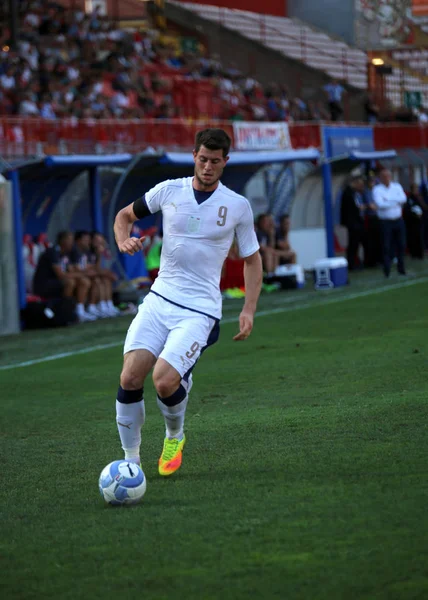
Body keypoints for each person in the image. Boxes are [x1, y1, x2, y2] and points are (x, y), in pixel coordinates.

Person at [113, 128, 262, 476]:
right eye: (203, 159)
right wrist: (123, 241)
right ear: (194, 155)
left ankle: (174, 435)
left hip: (200, 309)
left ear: (225, 162)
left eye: (215, 161)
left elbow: (252, 259)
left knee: (164, 381)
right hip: (159, 299)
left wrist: (249, 309)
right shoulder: (169, 190)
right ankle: (131, 461)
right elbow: (124, 217)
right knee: (130, 376)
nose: (208, 166)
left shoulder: (237, 206)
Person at [33, 230, 93, 322]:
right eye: (70, 240)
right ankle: (66, 311)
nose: (72, 243)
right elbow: (60, 275)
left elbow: (71, 270)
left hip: (56, 282)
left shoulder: (65, 253)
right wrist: (80, 274)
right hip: (43, 285)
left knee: (84, 281)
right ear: (63, 241)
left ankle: (80, 311)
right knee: (70, 282)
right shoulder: (52, 252)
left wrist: (81, 275)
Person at [372, 169, 407, 277]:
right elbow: (380, 204)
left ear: (390, 177)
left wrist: (388, 199)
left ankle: (401, 269)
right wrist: (395, 201)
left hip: (398, 220)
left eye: (388, 176)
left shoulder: (397, 186)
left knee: (401, 245)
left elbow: (403, 199)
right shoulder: (377, 189)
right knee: (386, 246)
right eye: (384, 176)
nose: (386, 178)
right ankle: (387, 271)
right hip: (385, 222)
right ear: (381, 178)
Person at [340, 177, 367, 270]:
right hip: (353, 223)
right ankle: (351, 264)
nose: (361, 187)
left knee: (357, 243)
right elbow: (350, 208)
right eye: (360, 184)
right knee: (353, 244)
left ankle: (357, 261)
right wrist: (359, 208)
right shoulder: (348, 193)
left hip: (357, 222)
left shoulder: (354, 193)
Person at [404, 183, 427, 259]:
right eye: (415, 189)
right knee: (413, 238)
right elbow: (407, 210)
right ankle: (414, 253)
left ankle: (420, 253)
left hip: (420, 221)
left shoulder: (419, 198)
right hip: (412, 222)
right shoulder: (409, 198)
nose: (416, 191)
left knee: (420, 237)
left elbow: (424, 207)